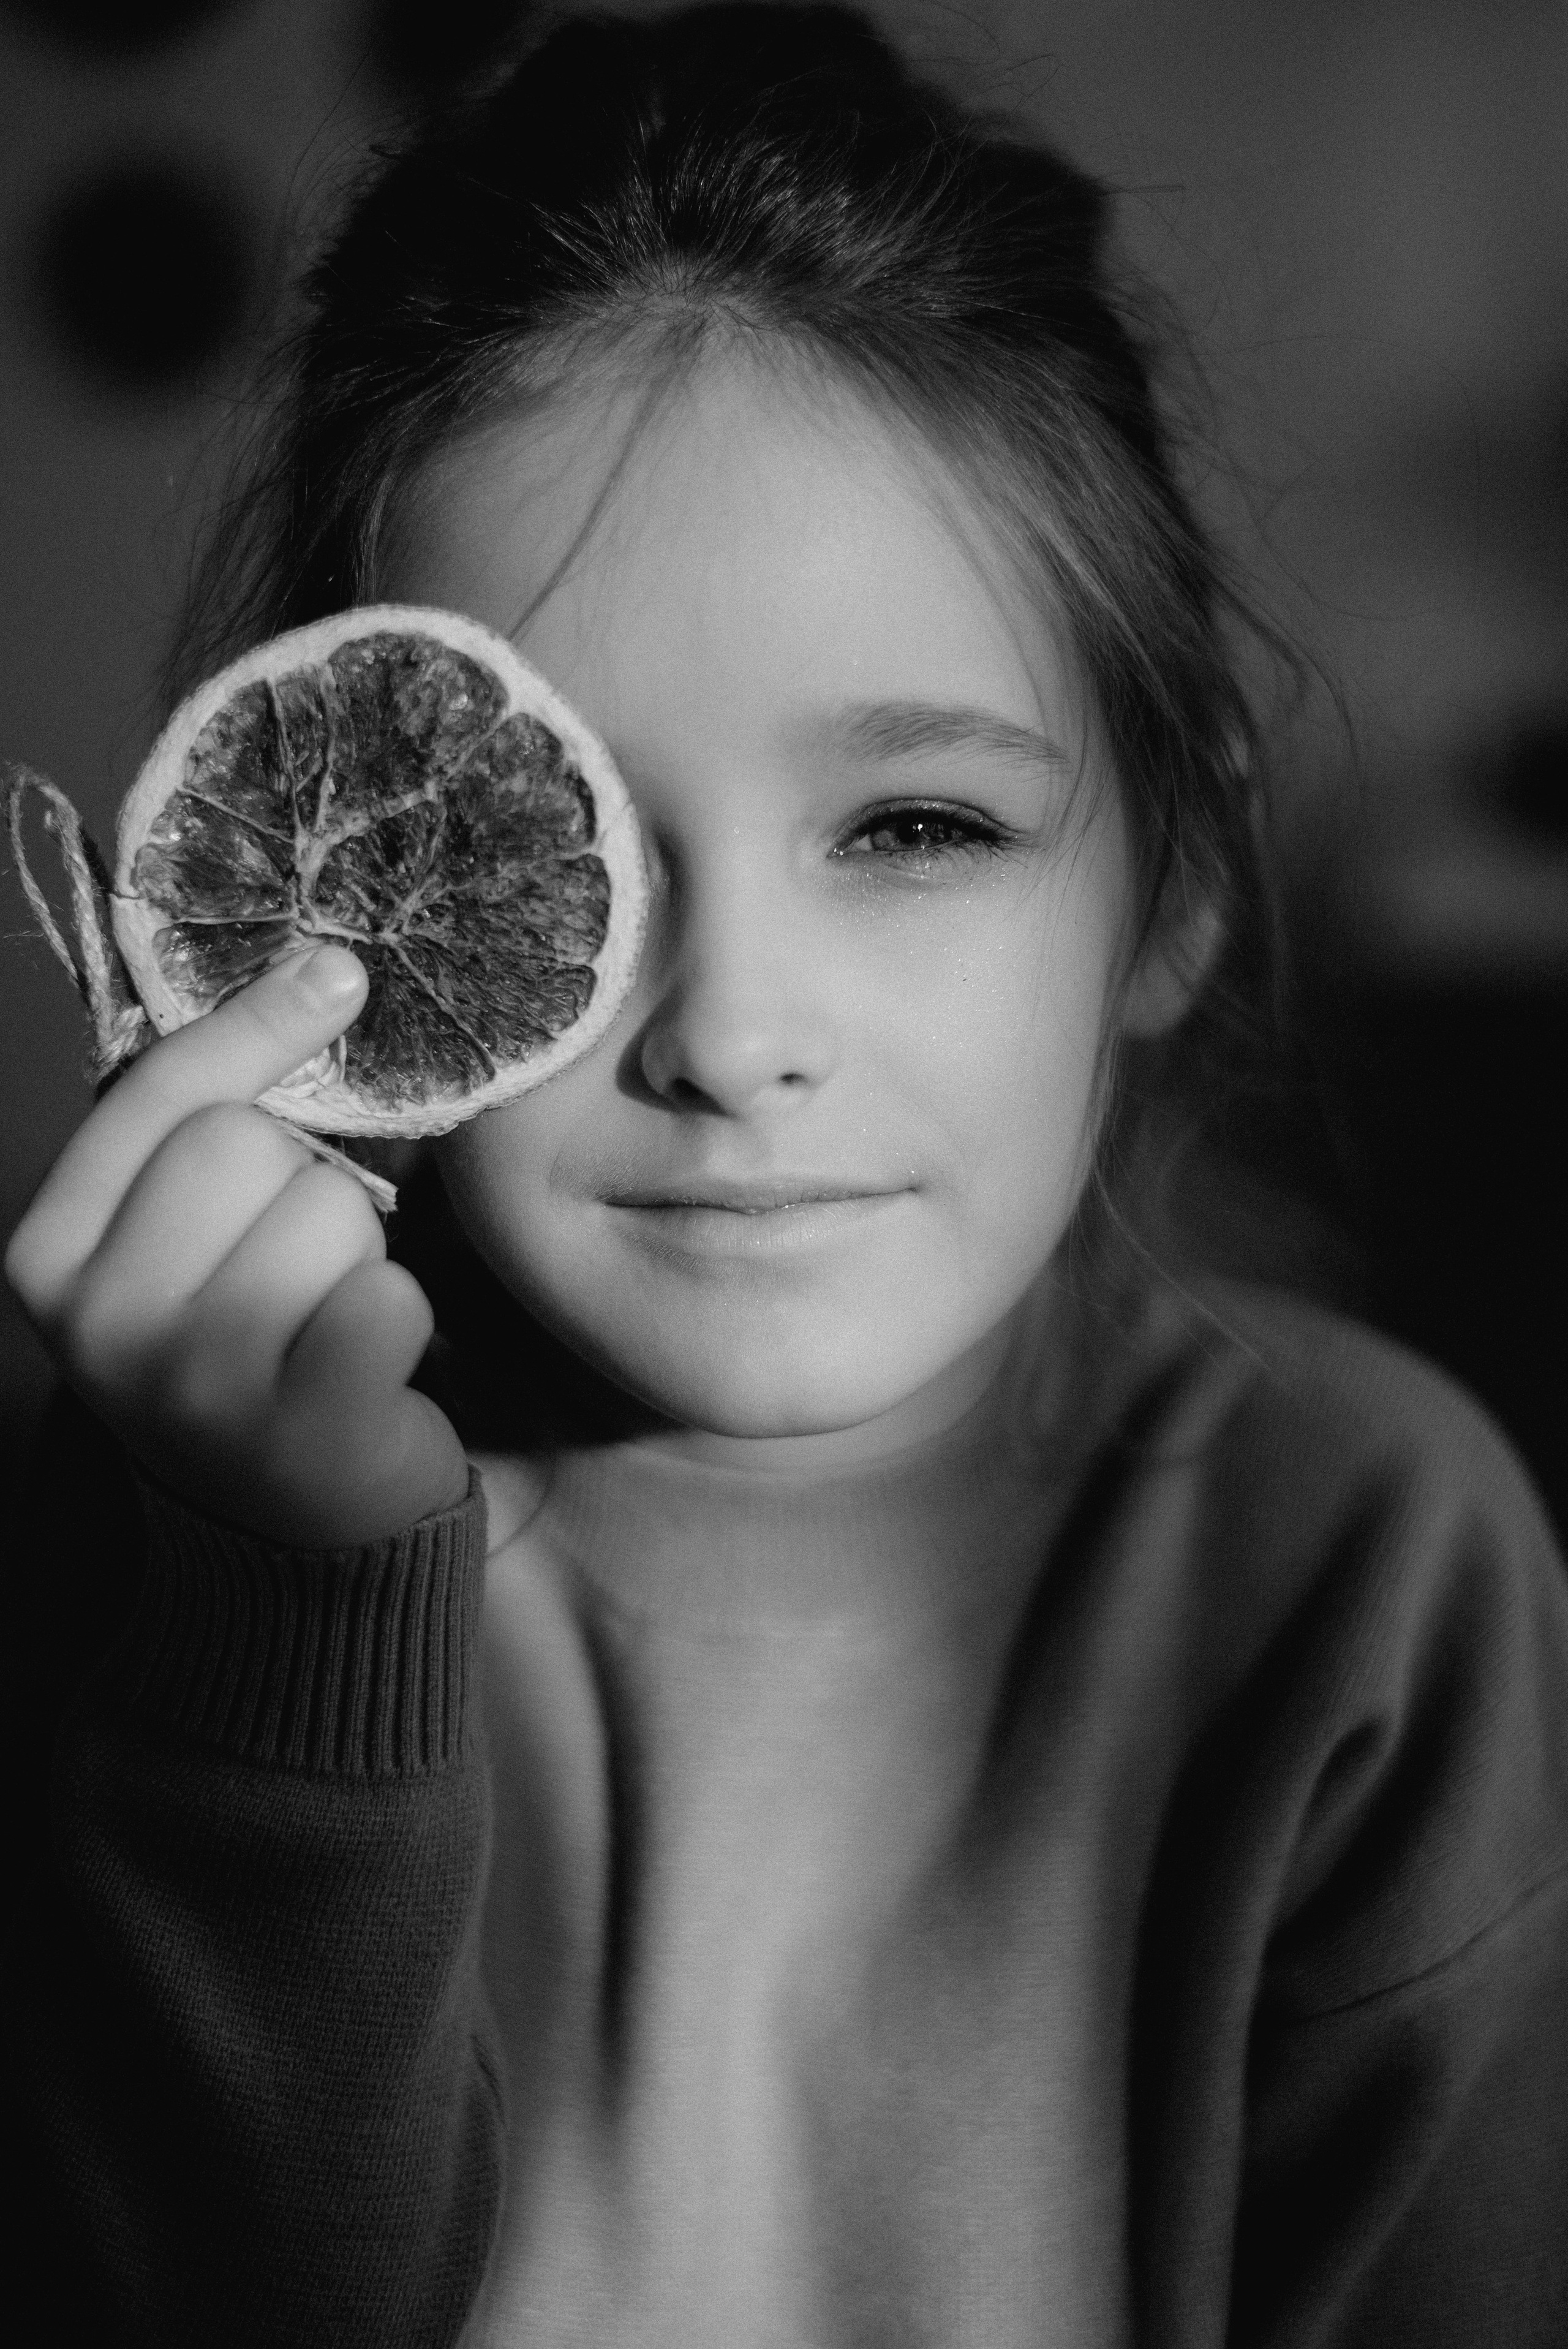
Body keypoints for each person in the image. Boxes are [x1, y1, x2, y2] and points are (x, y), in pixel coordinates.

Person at [5, 6, 1566, 2343]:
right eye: (558, 856)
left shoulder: (1365, 1564)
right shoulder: (152, 1527)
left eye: (916, 826)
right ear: (341, 903)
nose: (733, 1032)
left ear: (1175, 877)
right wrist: (281, 1623)